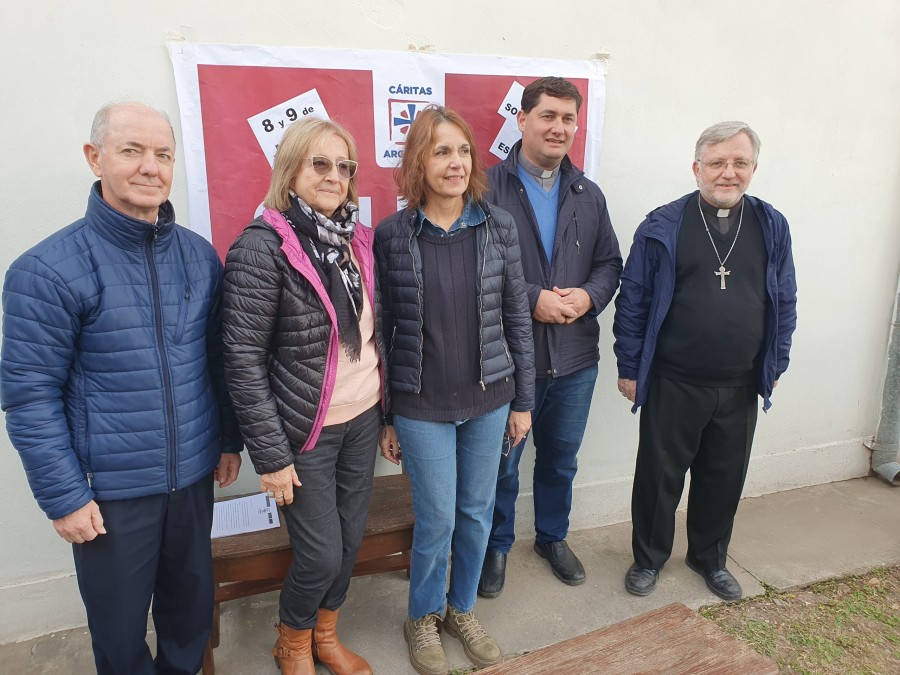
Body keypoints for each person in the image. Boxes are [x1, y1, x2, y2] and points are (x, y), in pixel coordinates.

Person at [0, 102, 243, 674]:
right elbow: (29, 395)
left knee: (190, 615)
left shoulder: (199, 257)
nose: (150, 167)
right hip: (108, 494)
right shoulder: (47, 270)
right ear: (95, 158)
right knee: (118, 630)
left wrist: (227, 440)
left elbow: (215, 360)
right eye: (132, 150)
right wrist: (64, 496)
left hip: (190, 479)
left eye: (163, 154)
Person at [222, 116, 385, 675]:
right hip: (305, 433)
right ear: (290, 168)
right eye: (320, 163)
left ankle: (325, 634)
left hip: (362, 419)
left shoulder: (358, 240)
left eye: (345, 166)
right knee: (319, 554)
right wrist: (270, 457)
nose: (335, 175)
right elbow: (241, 361)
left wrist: (385, 416)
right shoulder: (262, 247)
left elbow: (373, 334)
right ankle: (290, 641)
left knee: (351, 539)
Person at [375, 106, 534, 675]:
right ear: (419, 160)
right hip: (422, 405)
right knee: (437, 517)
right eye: (441, 151)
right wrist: (388, 417)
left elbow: (518, 315)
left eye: (463, 150)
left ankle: (460, 608)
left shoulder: (499, 227)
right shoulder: (392, 235)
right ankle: (422, 617)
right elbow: (383, 330)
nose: (455, 162)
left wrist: (523, 401)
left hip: (490, 398)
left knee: (475, 513)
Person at [613, 121, 797, 601]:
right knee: (659, 478)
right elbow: (633, 300)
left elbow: (785, 298)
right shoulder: (662, 225)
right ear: (697, 168)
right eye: (717, 162)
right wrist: (630, 368)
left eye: (739, 163)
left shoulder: (771, 224)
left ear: (753, 168)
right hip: (674, 379)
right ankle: (648, 559)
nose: (728, 173)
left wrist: (775, 363)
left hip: (739, 383)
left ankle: (708, 558)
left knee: (723, 477)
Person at [479, 77, 622, 596]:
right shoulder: (485, 189)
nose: (559, 128)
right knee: (501, 464)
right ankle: (495, 547)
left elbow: (609, 263)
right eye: (548, 116)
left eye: (568, 119)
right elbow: (473, 270)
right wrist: (532, 296)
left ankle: (551, 537)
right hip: (507, 362)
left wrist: (588, 297)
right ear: (522, 120)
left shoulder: (588, 193)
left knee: (561, 457)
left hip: (576, 358)